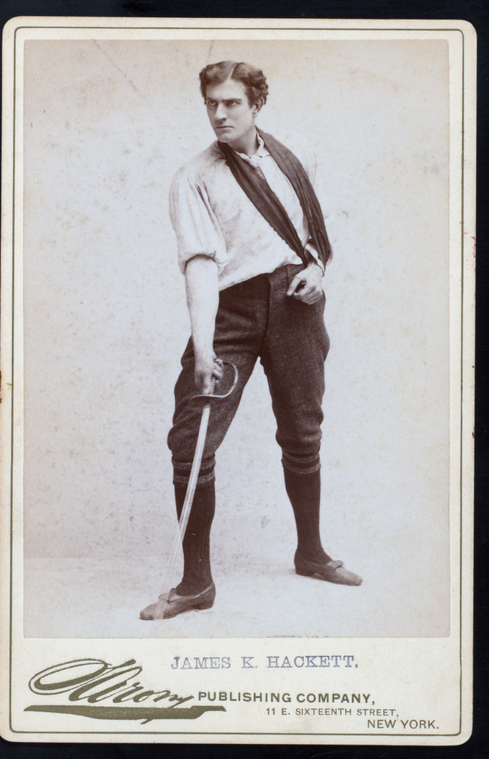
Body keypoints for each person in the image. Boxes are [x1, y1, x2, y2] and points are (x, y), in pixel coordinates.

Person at [140, 60, 362, 621]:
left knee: (303, 430)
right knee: (192, 440)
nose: (219, 114)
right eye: (211, 103)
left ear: (256, 104)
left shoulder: (291, 158)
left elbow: (314, 233)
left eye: (232, 103)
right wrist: (204, 345)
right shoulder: (194, 177)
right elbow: (198, 265)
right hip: (229, 312)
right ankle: (196, 582)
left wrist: (317, 269)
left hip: (294, 305)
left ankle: (311, 554)